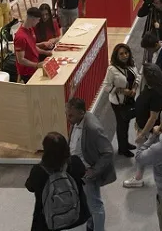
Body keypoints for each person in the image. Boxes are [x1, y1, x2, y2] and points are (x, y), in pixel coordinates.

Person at [65, 97, 117, 231]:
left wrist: (93, 171)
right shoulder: (76, 121)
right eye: (67, 114)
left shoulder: (93, 128)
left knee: (95, 205)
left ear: (81, 113)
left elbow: (108, 152)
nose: (68, 118)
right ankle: (90, 225)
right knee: (86, 201)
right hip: (78, 170)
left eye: (70, 115)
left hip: (88, 173)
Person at [25, 131, 90, 231]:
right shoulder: (75, 162)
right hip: (78, 218)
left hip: (47, 223)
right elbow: (83, 173)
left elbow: (30, 187)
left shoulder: (38, 171)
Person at [123, 63, 162, 188]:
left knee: (144, 155)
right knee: (148, 156)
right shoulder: (149, 87)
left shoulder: (156, 94)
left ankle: (141, 178)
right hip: (144, 128)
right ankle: (140, 177)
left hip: (150, 132)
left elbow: (153, 117)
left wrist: (142, 134)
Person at [103, 43, 139, 157]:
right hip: (118, 102)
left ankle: (125, 143)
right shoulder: (112, 69)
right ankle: (122, 149)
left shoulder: (131, 63)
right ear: (116, 56)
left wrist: (134, 88)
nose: (124, 56)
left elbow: (137, 77)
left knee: (126, 122)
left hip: (129, 99)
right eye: (121, 54)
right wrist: (122, 91)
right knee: (121, 124)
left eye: (126, 53)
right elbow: (106, 86)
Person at [13, 7, 52, 83]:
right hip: (27, 72)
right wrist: (37, 65)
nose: (38, 22)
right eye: (38, 20)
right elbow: (21, 60)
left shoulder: (30, 29)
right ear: (33, 19)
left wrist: (46, 53)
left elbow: (33, 46)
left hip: (34, 65)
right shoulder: (20, 37)